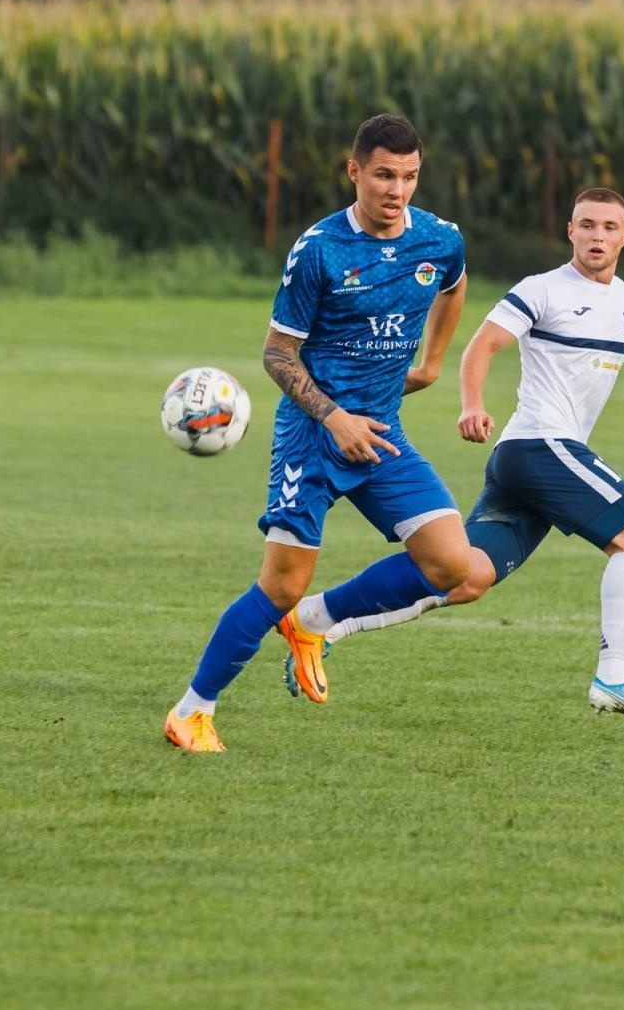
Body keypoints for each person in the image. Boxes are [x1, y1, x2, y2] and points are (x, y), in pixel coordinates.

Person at [279, 188, 624, 724]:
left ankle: (319, 620)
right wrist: (472, 405)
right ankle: (615, 677)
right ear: (571, 231)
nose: (597, 236)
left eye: (609, 227)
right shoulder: (543, 290)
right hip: (539, 444)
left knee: (466, 577)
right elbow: (482, 345)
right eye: (587, 225)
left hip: (533, 462)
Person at [162, 113, 472, 753]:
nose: (397, 190)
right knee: (280, 584)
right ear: (354, 171)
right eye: (384, 174)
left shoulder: (439, 240)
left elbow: (456, 283)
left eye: (410, 176)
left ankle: (315, 626)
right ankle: (192, 711)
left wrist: (435, 363)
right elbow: (277, 355)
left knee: (451, 563)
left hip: (382, 435)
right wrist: (333, 416)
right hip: (313, 436)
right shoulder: (320, 249)